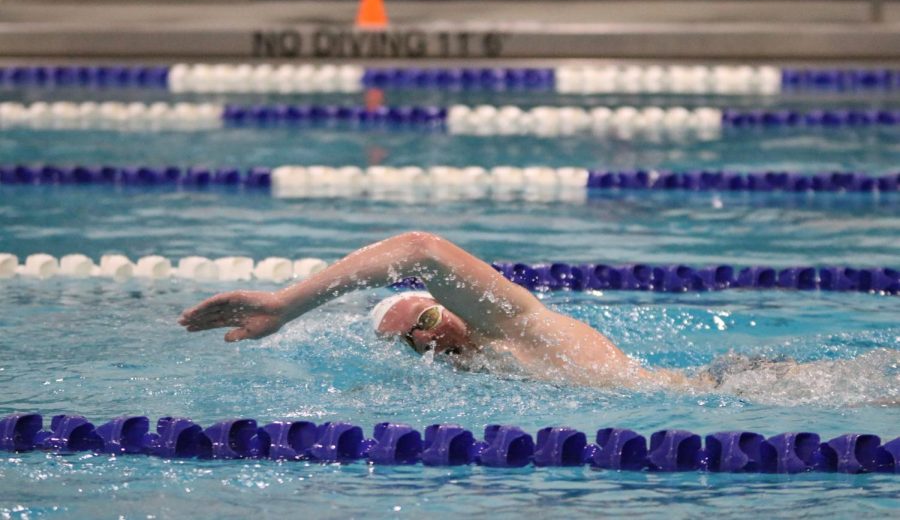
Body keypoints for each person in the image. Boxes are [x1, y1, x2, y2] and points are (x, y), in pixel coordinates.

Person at [179, 231, 697, 390]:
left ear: (449, 307)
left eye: (424, 321)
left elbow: (420, 250)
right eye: (411, 342)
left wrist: (285, 305)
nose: (426, 341)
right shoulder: (493, 376)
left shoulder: (511, 325)